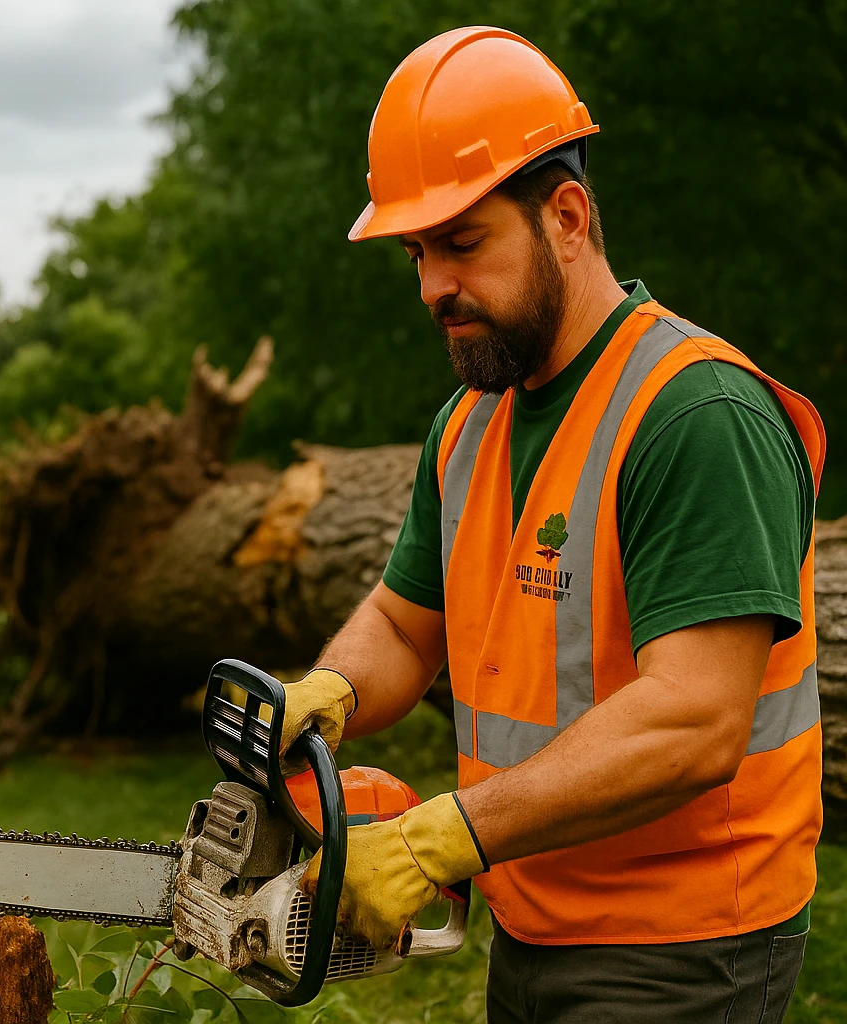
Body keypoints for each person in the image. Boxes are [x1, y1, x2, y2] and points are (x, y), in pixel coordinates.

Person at [281, 26, 823, 1023]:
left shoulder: (695, 414)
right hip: (535, 913)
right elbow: (406, 626)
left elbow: (693, 723)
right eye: (416, 252)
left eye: (463, 242)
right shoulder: (472, 422)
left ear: (567, 215)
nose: (434, 285)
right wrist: (331, 689)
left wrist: (443, 837)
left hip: (685, 940)